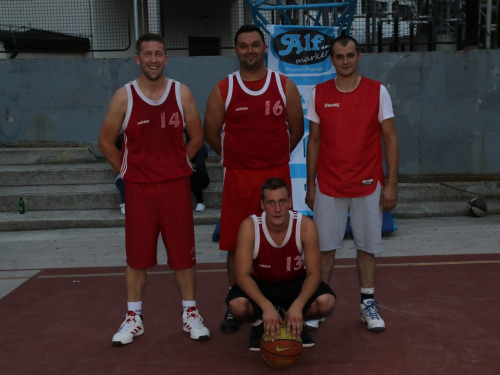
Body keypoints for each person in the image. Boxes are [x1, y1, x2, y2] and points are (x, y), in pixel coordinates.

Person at [97, 33, 210, 346]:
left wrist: (178, 165)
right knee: (137, 258)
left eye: (159, 53)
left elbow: (197, 138)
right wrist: (126, 170)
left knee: (183, 256)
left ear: (166, 58)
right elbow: (105, 142)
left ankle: (190, 314)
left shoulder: (181, 92)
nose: (153, 59)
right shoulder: (125, 96)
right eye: (147, 54)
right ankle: (134, 318)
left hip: (175, 186)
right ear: (137, 59)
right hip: (139, 189)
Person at [204, 24, 304, 334]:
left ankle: (282, 301)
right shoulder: (225, 88)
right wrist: (237, 158)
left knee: (280, 240)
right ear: (235, 51)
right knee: (236, 244)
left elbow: (297, 130)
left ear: (265, 48)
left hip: (275, 176)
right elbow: (210, 134)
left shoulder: (284, 85)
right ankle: (236, 303)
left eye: (256, 44)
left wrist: (272, 158)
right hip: (239, 177)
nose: (250, 50)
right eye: (244, 45)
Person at [305, 35, 399, 332]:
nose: (345, 61)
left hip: (369, 184)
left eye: (349, 55)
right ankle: (319, 304)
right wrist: (310, 185)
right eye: (339, 56)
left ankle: (367, 304)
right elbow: (314, 142)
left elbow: (390, 139)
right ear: (331, 60)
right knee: (324, 250)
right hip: (330, 185)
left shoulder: (377, 91)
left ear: (359, 56)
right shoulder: (317, 93)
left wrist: (392, 184)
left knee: (367, 248)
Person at [226, 178, 336, 351]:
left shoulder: (305, 226)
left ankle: (294, 323)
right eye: (271, 202)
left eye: (282, 201)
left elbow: (315, 273)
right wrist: (266, 306)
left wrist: (299, 305)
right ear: (262, 204)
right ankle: (260, 325)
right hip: (261, 284)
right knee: (237, 306)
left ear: (290, 202)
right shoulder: (250, 226)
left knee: (326, 302)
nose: (277, 209)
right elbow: (241, 275)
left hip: (294, 283)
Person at [183, 130, 210, 212]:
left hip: (200, 177)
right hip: (185, 177)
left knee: (195, 175)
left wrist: (188, 166)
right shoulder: (176, 148)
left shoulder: (200, 147)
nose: (182, 138)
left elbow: (199, 164)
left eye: (184, 136)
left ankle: (200, 202)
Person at [113, 132, 125, 215]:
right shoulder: (119, 155)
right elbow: (113, 171)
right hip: (122, 178)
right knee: (125, 180)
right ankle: (125, 204)